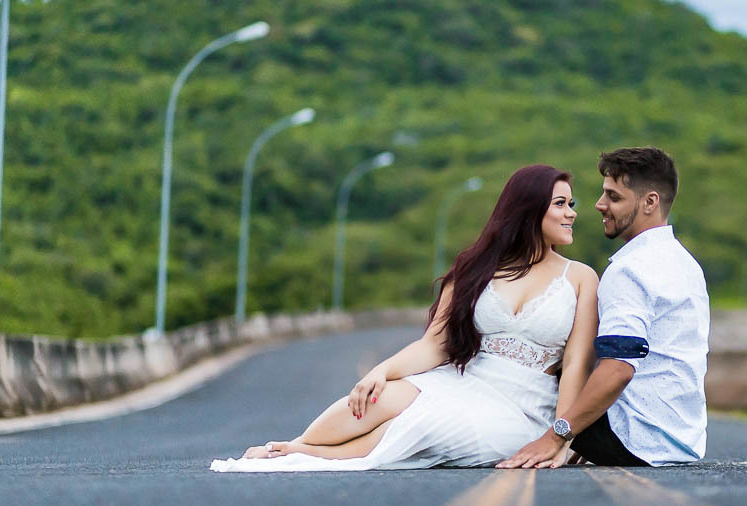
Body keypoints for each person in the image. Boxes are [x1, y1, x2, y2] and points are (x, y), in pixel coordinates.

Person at [210, 164, 599, 472]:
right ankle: (294, 445)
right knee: (379, 396)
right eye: (561, 204)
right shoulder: (478, 269)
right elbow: (436, 344)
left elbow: (576, 366)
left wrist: (559, 439)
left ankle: (307, 455)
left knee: (424, 426)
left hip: (525, 409)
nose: (572, 213)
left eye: (571, 203)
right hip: (466, 382)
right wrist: (381, 371)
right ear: (529, 209)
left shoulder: (580, 278)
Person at [497, 146, 709, 469]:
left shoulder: (629, 269)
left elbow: (618, 370)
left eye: (613, 197)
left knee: (543, 358)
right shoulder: (687, 264)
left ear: (650, 202)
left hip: (633, 441)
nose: (599, 205)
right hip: (682, 440)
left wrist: (558, 436)